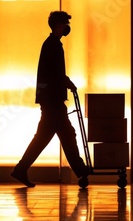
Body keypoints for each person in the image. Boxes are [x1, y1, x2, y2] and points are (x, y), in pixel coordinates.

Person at [11, 11, 89, 188]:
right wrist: (67, 82)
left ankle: (21, 169)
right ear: (58, 25)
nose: (67, 27)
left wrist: (65, 82)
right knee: (65, 135)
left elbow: (53, 73)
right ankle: (81, 171)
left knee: (49, 137)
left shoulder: (51, 44)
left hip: (50, 100)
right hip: (53, 101)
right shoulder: (52, 45)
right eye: (65, 23)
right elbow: (55, 73)